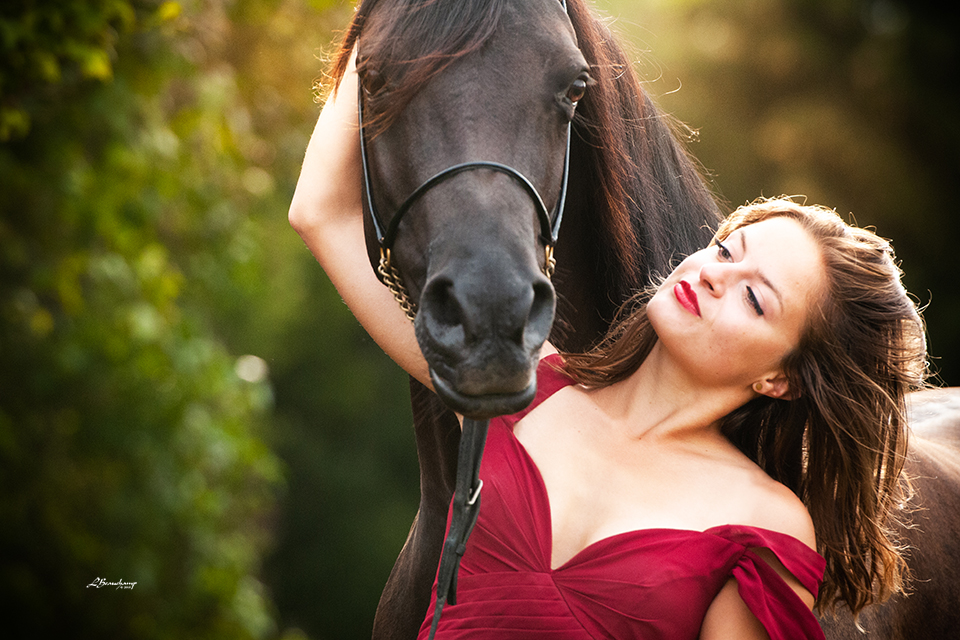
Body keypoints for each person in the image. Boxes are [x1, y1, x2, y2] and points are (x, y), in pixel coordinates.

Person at [288, 50, 927, 640]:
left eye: (754, 298)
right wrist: (380, 28)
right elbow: (320, 214)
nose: (711, 272)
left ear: (779, 379)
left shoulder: (764, 523)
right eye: (727, 250)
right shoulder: (521, 381)